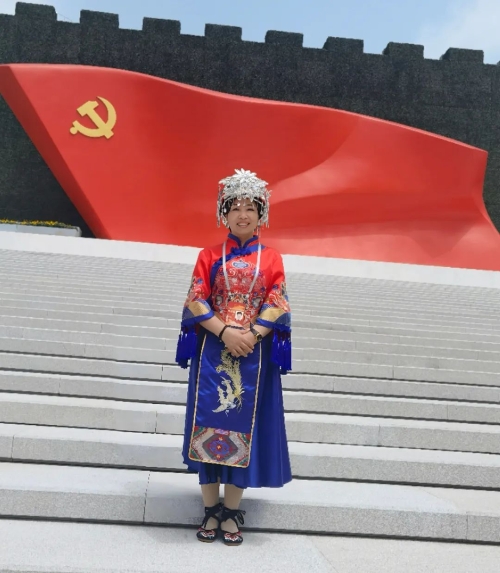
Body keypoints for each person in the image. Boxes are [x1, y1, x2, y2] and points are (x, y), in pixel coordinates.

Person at [176, 168, 292, 546]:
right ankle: (210, 508)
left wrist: (252, 335)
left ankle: (230, 511)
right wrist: (225, 332)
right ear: (224, 214)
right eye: (236, 208)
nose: (243, 215)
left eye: (250, 208)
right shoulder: (208, 256)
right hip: (213, 350)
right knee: (209, 424)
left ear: (261, 215)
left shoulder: (272, 259)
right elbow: (196, 299)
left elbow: (277, 302)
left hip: (254, 354)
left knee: (244, 427)